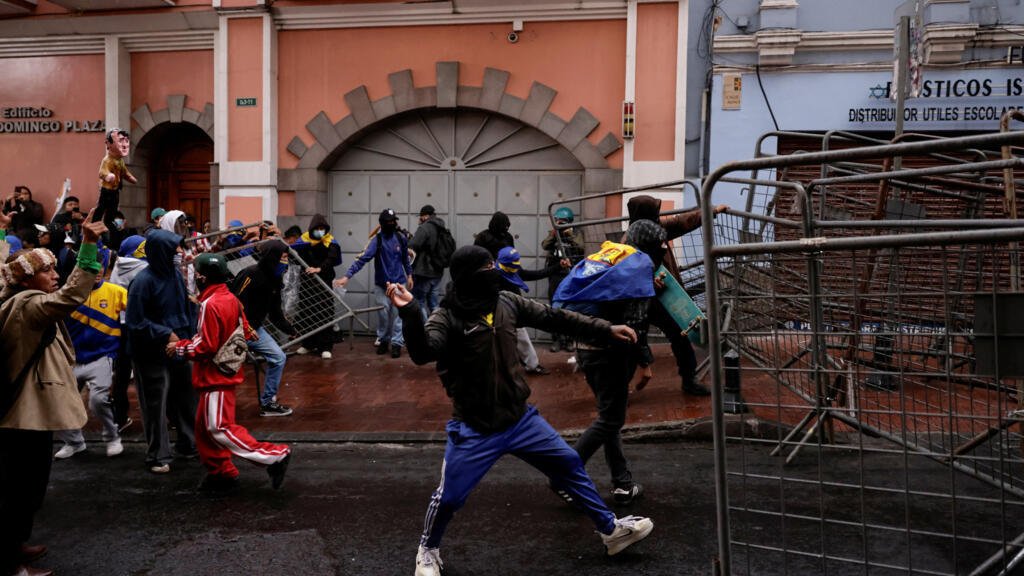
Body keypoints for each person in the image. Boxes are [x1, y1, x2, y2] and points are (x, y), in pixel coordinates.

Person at [388, 245, 654, 576]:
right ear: (469, 276)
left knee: (569, 464)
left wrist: (605, 328)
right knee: (450, 497)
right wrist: (411, 312)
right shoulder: (448, 316)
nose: (493, 273)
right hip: (475, 427)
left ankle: (610, 531)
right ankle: (427, 550)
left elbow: (555, 317)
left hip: (520, 419)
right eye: (487, 268)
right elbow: (423, 352)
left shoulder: (506, 302)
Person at [0, 209, 106, 576]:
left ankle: (16, 545)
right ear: (27, 278)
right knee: (19, 490)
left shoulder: (17, 296)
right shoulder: (28, 305)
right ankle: (10, 563)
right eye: (47, 270)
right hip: (22, 417)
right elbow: (70, 296)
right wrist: (88, 247)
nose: (55, 274)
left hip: (29, 414)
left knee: (26, 487)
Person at [554, 220, 663, 505]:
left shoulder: (612, 255)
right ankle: (563, 476)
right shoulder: (640, 265)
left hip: (586, 347)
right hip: (610, 352)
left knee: (609, 415)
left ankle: (622, 483)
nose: (664, 247)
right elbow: (636, 322)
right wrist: (645, 363)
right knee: (610, 419)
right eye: (661, 243)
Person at [170, 252, 291, 493]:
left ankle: (274, 455)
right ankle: (221, 472)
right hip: (222, 373)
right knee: (205, 430)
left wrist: (179, 348)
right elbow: (241, 326)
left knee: (218, 428)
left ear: (202, 277)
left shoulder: (210, 304)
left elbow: (206, 346)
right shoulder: (229, 298)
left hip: (214, 376)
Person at [625, 195, 728, 396]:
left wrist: (712, 211)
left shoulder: (658, 229)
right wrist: (647, 281)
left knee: (680, 337)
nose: (657, 214)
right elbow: (626, 271)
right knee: (632, 342)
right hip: (639, 301)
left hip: (664, 298)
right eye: (654, 210)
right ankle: (620, 390)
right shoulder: (628, 241)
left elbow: (682, 222)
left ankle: (689, 381)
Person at [126, 229, 198, 474]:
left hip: (178, 347)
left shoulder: (174, 275)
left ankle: (189, 444)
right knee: (155, 403)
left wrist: (188, 339)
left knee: (186, 398)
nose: (179, 252)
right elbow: (135, 322)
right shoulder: (142, 282)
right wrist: (165, 334)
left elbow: (184, 309)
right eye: (174, 249)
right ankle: (157, 455)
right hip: (150, 352)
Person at [52, 245, 127, 460]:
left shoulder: (117, 292)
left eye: (100, 266)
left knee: (98, 400)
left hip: (103, 355)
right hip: (73, 358)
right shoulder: (68, 294)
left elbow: (133, 316)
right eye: (92, 267)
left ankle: (112, 437)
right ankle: (74, 442)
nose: (98, 271)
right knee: (62, 402)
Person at [231, 240, 297, 417]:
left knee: (278, 357)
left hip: (255, 329)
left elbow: (275, 312)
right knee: (225, 367)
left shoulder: (276, 279)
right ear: (272, 256)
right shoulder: (250, 274)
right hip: (234, 329)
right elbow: (233, 302)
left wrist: (289, 329)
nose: (285, 261)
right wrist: (243, 326)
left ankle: (268, 403)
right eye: (283, 257)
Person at [334, 209, 412, 359]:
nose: (392, 224)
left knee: (398, 316)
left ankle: (396, 343)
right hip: (382, 286)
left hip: (399, 284)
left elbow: (405, 259)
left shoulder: (400, 238)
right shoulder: (377, 240)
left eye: (393, 221)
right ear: (382, 223)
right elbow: (362, 259)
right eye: (389, 222)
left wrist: (409, 275)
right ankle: (384, 340)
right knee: (383, 314)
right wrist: (347, 277)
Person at [494, 246, 568, 375]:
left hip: (515, 311)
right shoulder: (493, 276)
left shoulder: (513, 269)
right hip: (499, 313)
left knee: (521, 337)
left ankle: (531, 365)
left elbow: (535, 274)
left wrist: (558, 266)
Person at [291, 214, 342, 358]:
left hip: (324, 283)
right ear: (311, 229)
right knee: (306, 313)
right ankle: (308, 344)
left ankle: (325, 346)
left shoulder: (330, 241)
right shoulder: (303, 240)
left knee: (325, 313)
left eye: (322, 229)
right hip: (307, 284)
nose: (320, 231)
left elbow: (332, 259)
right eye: (317, 228)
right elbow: (295, 257)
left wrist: (320, 269)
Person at [541, 206, 585, 352]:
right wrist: (554, 234)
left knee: (570, 306)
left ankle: (570, 340)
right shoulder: (554, 233)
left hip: (571, 274)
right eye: (558, 221)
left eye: (563, 221)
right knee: (555, 306)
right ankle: (557, 339)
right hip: (555, 274)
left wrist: (570, 235)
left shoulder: (576, 233)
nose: (560, 223)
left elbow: (581, 248)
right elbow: (545, 245)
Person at [408, 205, 446, 321]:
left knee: (419, 302)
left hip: (424, 272)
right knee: (434, 304)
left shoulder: (425, 228)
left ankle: (426, 330)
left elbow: (413, 245)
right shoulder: (441, 227)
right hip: (437, 272)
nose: (419, 219)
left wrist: (409, 238)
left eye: (421, 216)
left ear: (425, 216)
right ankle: (437, 327)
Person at [94, 127, 137, 226]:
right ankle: (95, 223)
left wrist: (130, 178)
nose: (125, 144)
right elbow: (102, 172)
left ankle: (109, 223)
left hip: (115, 190)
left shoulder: (120, 161)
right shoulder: (107, 160)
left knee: (113, 208)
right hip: (106, 190)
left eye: (126, 141)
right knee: (101, 207)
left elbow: (124, 172)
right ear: (108, 144)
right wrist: (108, 176)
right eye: (121, 141)